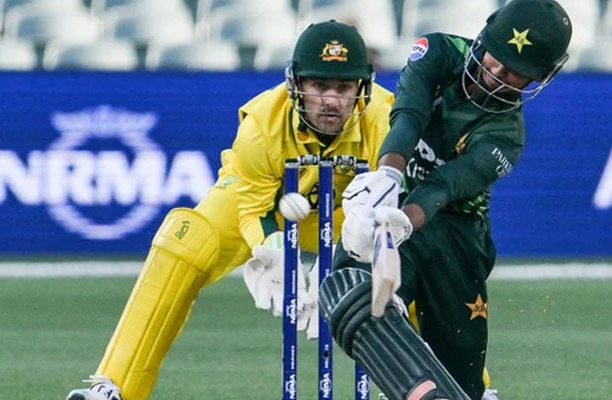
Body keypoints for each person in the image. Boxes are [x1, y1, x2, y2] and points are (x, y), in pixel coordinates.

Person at [65, 20, 394, 400]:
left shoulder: (386, 119)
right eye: (319, 86)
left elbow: (393, 205)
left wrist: (363, 255)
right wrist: (277, 256)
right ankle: (116, 387)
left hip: (349, 214)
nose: (332, 100)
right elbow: (254, 205)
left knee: (412, 255)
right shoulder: (261, 126)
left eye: (343, 87)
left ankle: (451, 387)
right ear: (297, 85)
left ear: (361, 88)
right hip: (267, 204)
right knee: (185, 240)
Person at [317, 1, 573, 399]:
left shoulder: (507, 134)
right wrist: (387, 178)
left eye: (516, 73)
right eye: (497, 59)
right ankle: (401, 374)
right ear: (485, 38)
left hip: (456, 236)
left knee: (463, 381)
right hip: (397, 194)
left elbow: (445, 187)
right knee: (354, 288)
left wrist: (401, 221)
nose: (498, 75)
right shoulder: (437, 51)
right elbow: (409, 116)